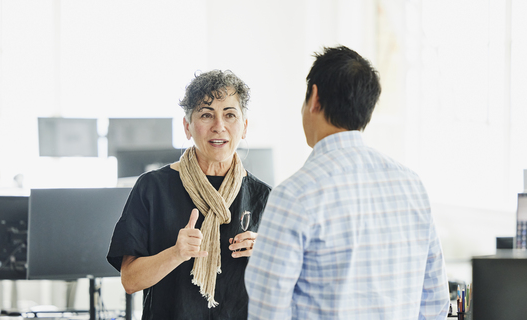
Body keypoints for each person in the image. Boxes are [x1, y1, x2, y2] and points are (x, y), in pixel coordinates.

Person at [245, 46, 450, 319]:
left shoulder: (294, 195)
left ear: (314, 98)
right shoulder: (411, 185)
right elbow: (435, 303)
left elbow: (267, 311)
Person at [107, 70, 271, 320]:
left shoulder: (263, 196)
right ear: (187, 127)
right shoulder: (152, 188)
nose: (219, 126)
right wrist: (176, 253)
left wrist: (269, 257)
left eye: (229, 115)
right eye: (206, 115)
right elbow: (130, 280)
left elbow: (282, 289)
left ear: (244, 126)